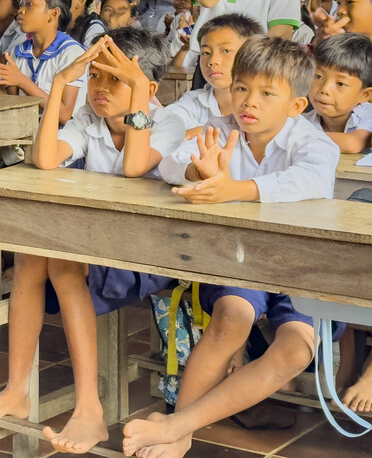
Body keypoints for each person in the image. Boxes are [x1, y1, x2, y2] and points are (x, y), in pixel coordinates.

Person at [131, 37, 339, 458]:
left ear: (297, 106)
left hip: (301, 269)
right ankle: (181, 435)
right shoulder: (221, 131)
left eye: (266, 93)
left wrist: (234, 189)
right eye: (241, 88)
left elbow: (310, 181)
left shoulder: (314, 143)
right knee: (231, 318)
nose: (249, 102)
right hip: (239, 264)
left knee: (296, 349)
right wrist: (197, 170)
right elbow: (168, 162)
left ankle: (177, 425)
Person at [0, 31, 183, 454]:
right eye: (94, 78)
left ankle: (90, 408)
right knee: (32, 253)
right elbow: (46, 157)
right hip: (95, 240)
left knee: (62, 264)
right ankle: (18, 388)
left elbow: (133, 168)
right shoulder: (89, 121)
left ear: (147, 87)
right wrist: (58, 85)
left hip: (148, 251)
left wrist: (141, 101)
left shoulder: (168, 122)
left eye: (115, 80)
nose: (100, 90)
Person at [0, 0, 85, 125]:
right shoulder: (20, 51)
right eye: (22, 4)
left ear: (54, 14)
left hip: (61, 135)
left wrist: (21, 81)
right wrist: (1, 81)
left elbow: (64, 115)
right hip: (24, 129)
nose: (20, 10)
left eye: (29, 4)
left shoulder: (71, 54)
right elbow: (14, 104)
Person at [165, 14, 263, 137]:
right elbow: (165, 126)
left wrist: (201, 131)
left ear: (253, 55)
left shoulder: (268, 105)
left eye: (226, 51)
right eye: (205, 53)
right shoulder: (194, 102)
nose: (212, 61)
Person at [305, 32, 372, 153]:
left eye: (340, 84)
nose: (324, 89)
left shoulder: (368, 114)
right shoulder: (305, 121)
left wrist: (294, 137)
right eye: (318, 76)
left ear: (365, 95)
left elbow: (352, 143)